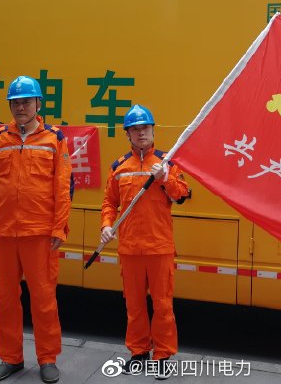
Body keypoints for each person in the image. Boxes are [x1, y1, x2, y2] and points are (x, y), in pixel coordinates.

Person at [0, 75, 72, 384]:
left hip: (39, 234)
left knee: (43, 299)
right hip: (5, 233)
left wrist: (59, 228)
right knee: (3, 299)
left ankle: (47, 358)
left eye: (26, 102)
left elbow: (63, 188)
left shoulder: (54, 139)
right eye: (15, 103)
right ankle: (11, 358)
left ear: (38, 104)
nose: (20, 107)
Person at [100, 104, 190, 381]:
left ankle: (163, 356)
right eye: (135, 129)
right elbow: (109, 202)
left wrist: (164, 178)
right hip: (129, 248)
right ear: (127, 134)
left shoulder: (166, 162)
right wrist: (106, 225)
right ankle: (138, 353)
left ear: (153, 131)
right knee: (134, 305)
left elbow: (182, 195)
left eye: (145, 128)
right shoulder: (119, 167)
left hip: (159, 247)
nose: (141, 133)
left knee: (163, 305)